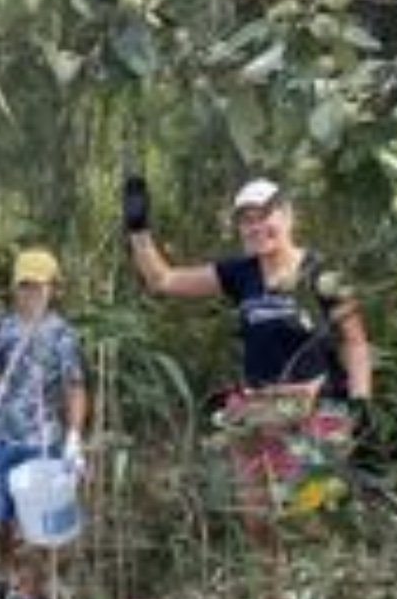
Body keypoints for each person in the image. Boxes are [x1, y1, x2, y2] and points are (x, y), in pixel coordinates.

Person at [122, 174, 374, 533]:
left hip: (317, 405)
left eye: (264, 216)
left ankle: (313, 583)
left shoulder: (322, 272)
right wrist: (138, 229)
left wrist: (360, 400)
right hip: (260, 406)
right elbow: (163, 280)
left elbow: (355, 341)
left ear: (287, 216)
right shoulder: (241, 273)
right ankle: (272, 587)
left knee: (310, 519)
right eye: (246, 220)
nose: (256, 227)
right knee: (256, 516)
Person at [0, 248, 88, 599]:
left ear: (53, 288)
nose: (29, 293)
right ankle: (9, 579)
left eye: (36, 285)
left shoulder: (62, 335)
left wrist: (75, 436)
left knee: (38, 527)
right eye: (23, 285)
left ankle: (31, 595)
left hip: (42, 442)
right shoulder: (6, 329)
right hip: (3, 438)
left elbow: (75, 387)